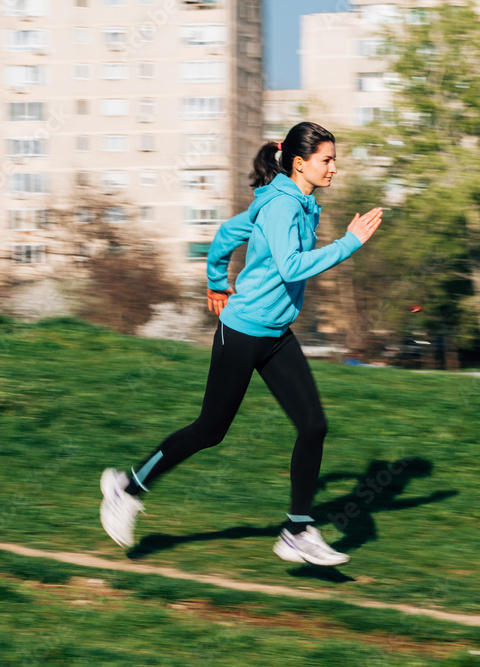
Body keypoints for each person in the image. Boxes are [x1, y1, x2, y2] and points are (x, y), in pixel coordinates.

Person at [100, 121, 383, 566]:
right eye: (327, 160)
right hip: (245, 331)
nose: (334, 168)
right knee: (209, 430)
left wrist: (216, 281)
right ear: (299, 163)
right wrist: (349, 244)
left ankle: (297, 530)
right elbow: (291, 268)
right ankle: (126, 487)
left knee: (313, 426)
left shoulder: (297, 202)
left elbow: (226, 235)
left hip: (275, 335)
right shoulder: (281, 207)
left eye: (333, 160)